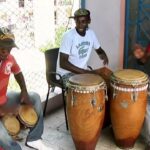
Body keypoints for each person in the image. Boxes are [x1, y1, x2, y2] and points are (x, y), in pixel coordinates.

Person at [0, 27, 52, 150]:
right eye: (2, 47)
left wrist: (24, 90)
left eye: (9, 48)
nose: (6, 52)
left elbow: (18, 72)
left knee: (34, 97)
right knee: (3, 136)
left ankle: (34, 139)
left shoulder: (9, 59)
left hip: (3, 99)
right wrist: (4, 112)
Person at [56, 8, 109, 84]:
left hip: (82, 71)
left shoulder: (91, 33)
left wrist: (103, 55)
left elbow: (99, 49)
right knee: (86, 86)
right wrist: (85, 72)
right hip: (65, 73)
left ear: (89, 21)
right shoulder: (68, 36)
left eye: (83, 21)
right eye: (77, 21)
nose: (80, 24)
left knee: (103, 81)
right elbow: (63, 63)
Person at [128, 43, 150, 150]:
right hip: (142, 92)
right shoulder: (134, 64)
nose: (138, 52)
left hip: (147, 93)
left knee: (147, 110)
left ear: (144, 50)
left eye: (140, 49)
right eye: (135, 51)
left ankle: (149, 141)